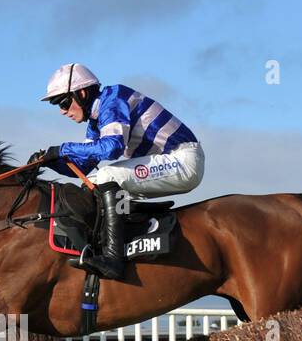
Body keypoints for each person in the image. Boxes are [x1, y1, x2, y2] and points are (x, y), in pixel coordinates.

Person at [29, 63, 204, 279]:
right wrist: (48, 162)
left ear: (81, 93)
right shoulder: (95, 121)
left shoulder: (113, 99)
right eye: (57, 105)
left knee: (107, 176)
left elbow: (113, 148)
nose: (62, 111)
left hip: (183, 160)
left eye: (63, 102)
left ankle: (113, 258)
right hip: (164, 160)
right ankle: (111, 242)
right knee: (91, 180)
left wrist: (63, 149)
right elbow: (82, 168)